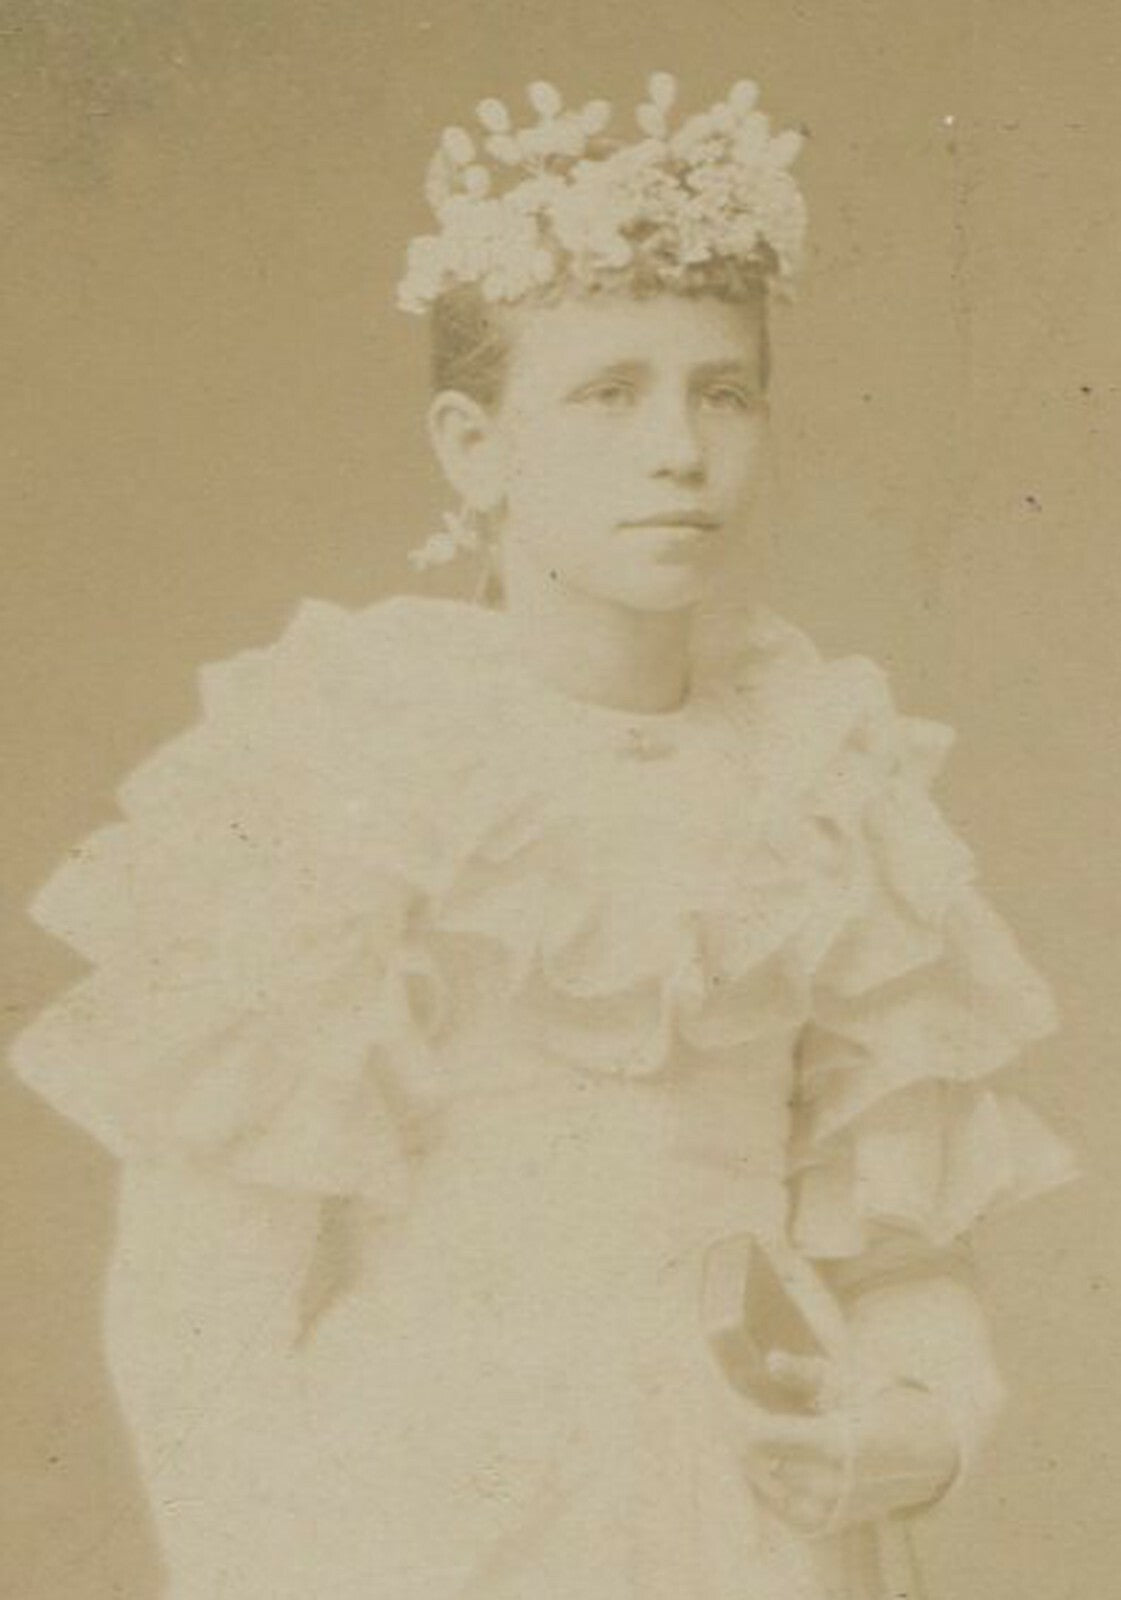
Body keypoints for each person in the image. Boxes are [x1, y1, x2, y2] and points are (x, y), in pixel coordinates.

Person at [10, 72, 1077, 1599]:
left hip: (753, 1528)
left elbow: (898, 1248)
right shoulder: (350, 763)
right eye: (608, 393)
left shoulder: (825, 784)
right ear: (472, 444)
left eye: (723, 392)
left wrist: (921, 1423)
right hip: (420, 1517)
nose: (678, 449)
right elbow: (195, 1302)